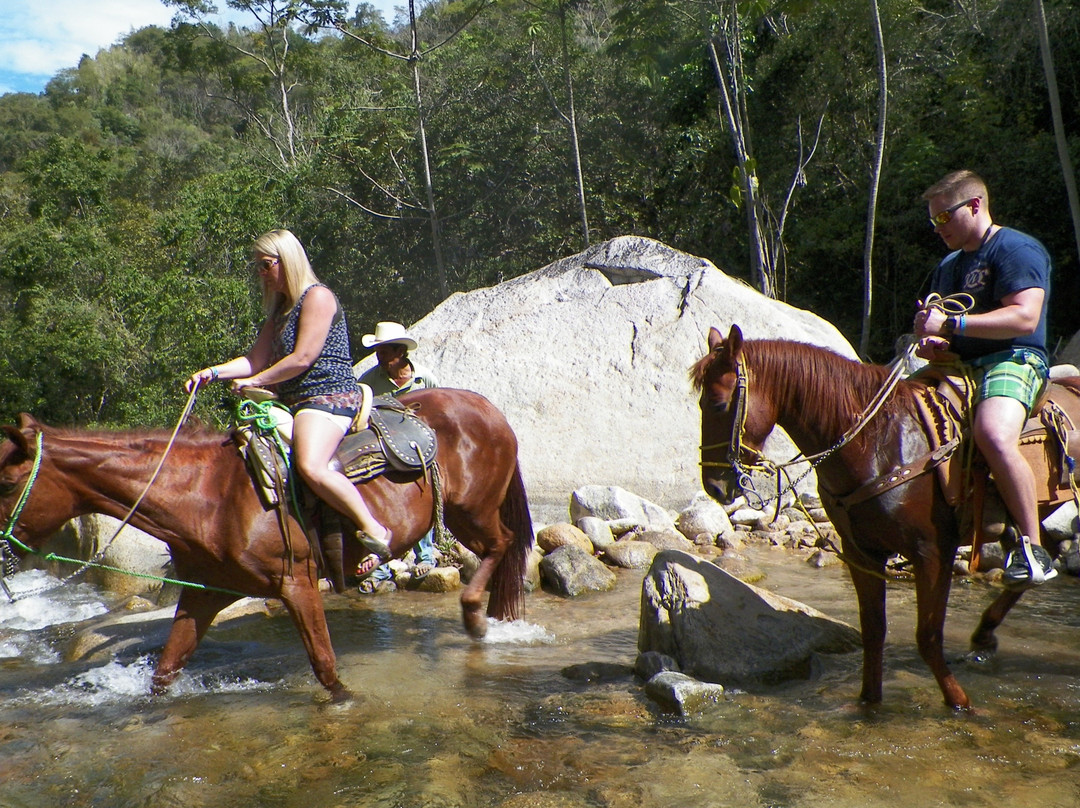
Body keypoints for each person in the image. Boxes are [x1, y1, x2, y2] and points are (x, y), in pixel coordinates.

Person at [184, 228, 393, 565]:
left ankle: (375, 530)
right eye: (259, 266)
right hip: (294, 402)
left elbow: (302, 358)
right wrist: (212, 372)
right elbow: (254, 358)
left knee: (311, 465)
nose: (261, 274)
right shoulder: (280, 311)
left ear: (287, 260)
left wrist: (257, 380)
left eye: (266, 265)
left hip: (328, 396)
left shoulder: (318, 297)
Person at [913, 170, 1055, 589]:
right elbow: (946, 334)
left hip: (1013, 357)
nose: (938, 229)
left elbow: (1025, 316)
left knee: (992, 433)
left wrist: (952, 324)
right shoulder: (948, 267)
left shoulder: (1015, 248)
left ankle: (1033, 549)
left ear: (975, 205)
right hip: (960, 364)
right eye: (933, 221)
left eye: (944, 218)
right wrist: (934, 343)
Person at [355, 322, 440, 592]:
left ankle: (425, 556)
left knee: (420, 497)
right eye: (377, 351)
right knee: (382, 505)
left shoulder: (424, 378)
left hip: (416, 449)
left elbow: (437, 408)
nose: (379, 356)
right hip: (384, 449)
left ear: (400, 352)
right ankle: (379, 566)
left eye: (384, 351)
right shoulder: (368, 381)